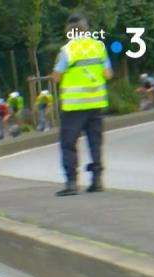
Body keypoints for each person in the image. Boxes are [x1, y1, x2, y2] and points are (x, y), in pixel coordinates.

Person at [52, 14, 113, 196]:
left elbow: (56, 77)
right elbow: (108, 74)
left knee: (68, 143)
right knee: (95, 143)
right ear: (86, 30)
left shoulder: (67, 50)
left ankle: (71, 183)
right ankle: (97, 181)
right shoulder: (99, 47)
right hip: (96, 104)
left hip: (74, 107)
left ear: (70, 31)